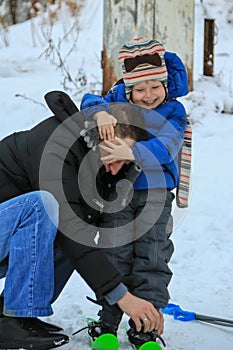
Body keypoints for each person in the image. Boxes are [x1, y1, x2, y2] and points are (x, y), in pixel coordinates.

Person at [0, 91, 163, 349]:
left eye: (125, 157)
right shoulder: (58, 145)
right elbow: (69, 229)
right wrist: (123, 297)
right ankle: (12, 320)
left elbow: (82, 239)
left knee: (74, 230)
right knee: (43, 207)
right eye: (113, 153)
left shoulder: (93, 164)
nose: (117, 165)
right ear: (101, 135)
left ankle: (15, 315)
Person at [80, 38, 189, 348]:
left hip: (155, 195)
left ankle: (146, 323)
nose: (149, 95)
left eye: (156, 86)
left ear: (165, 84)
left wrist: (133, 151)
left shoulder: (173, 112)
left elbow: (168, 146)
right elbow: (89, 100)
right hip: (119, 194)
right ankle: (108, 321)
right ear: (128, 90)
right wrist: (100, 113)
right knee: (115, 252)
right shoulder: (117, 101)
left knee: (152, 256)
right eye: (140, 89)